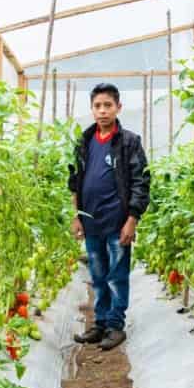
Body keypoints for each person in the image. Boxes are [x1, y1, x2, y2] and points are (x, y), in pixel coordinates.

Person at [68, 83, 150, 350]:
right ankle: (101, 322)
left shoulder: (128, 142)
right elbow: (75, 181)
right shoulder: (84, 141)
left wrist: (132, 219)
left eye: (108, 105)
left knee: (117, 275)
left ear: (118, 108)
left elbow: (141, 182)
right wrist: (76, 216)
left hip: (117, 222)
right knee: (99, 274)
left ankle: (115, 325)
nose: (102, 111)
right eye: (97, 106)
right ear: (92, 110)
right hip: (91, 222)